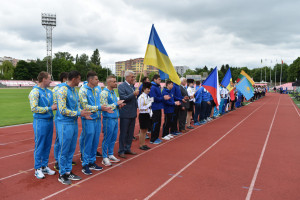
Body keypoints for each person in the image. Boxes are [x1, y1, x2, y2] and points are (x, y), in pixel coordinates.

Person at [56, 71, 92, 185]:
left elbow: (77, 107)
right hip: (64, 123)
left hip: (73, 122)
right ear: (74, 79)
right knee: (64, 148)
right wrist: (78, 113)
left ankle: (67, 171)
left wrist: (82, 112)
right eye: (79, 79)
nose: (79, 81)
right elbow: (62, 110)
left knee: (71, 148)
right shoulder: (62, 90)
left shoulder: (74, 91)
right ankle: (62, 174)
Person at [79, 71, 113, 175]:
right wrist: (99, 108)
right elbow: (85, 106)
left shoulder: (97, 89)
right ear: (90, 80)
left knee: (95, 141)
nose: (98, 81)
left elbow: (100, 103)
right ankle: (85, 164)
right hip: (88, 119)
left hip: (97, 118)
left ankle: (92, 161)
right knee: (88, 141)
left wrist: (106, 108)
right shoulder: (83, 90)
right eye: (97, 79)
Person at [29, 71, 57, 179]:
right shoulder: (34, 92)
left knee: (47, 144)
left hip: (50, 120)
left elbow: (54, 104)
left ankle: (44, 166)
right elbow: (34, 108)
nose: (51, 81)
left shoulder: (49, 92)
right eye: (49, 79)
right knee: (40, 144)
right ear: (44, 79)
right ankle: (37, 168)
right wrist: (50, 108)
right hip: (40, 121)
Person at [52, 72, 75, 171]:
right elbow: (56, 105)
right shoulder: (58, 89)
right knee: (59, 140)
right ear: (65, 78)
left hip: (69, 118)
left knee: (65, 141)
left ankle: (64, 161)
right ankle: (58, 161)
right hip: (61, 118)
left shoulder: (71, 89)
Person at [100, 75, 125, 166]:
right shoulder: (104, 93)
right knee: (107, 138)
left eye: (116, 81)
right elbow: (104, 107)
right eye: (114, 81)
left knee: (113, 138)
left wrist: (119, 105)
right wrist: (116, 103)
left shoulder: (113, 92)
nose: (116, 83)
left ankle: (110, 154)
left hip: (115, 118)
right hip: (108, 119)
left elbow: (114, 105)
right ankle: (104, 157)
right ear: (109, 83)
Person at [118, 70, 139, 158]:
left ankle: (127, 148)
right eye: (132, 77)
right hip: (125, 113)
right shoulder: (121, 86)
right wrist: (133, 94)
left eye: (134, 77)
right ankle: (121, 150)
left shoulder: (132, 86)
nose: (133, 78)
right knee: (124, 133)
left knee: (130, 133)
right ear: (127, 77)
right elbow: (123, 98)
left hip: (133, 113)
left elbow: (134, 98)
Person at [149, 74, 170, 144]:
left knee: (158, 123)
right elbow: (153, 98)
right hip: (155, 107)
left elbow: (159, 96)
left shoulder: (157, 87)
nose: (160, 81)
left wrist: (163, 97)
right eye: (159, 79)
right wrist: (163, 98)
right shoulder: (152, 87)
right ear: (155, 79)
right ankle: (153, 139)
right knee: (155, 123)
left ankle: (156, 137)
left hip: (158, 107)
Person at [137, 82, 152, 150]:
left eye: (149, 89)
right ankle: (141, 145)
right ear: (143, 89)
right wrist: (149, 105)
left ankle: (144, 144)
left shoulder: (148, 96)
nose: (148, 90)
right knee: (142, 130)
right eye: (147, 89)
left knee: (145, 130)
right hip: (143, 114)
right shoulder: (141, 97)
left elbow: (150, 105)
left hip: (147, 114)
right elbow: (140, 107)